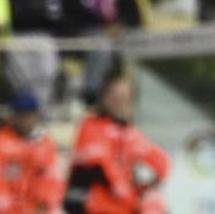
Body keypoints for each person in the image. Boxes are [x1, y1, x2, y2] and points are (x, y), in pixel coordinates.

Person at [64, 71, 170, 214]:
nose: (118, 101)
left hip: (127, 207)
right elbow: (96, 164)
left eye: (123, 97)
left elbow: (161, 163)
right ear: (104, 97)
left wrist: (145, 187)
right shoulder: (90, 125)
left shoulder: (130, 132)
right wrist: (123, 187)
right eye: (114, 96)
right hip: (97, 208)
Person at [0, 93, 65, 213]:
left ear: (36, 115)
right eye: (20, 114)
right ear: (12, 116)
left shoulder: (45, 144)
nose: (24, 119)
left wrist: (44, 203)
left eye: (28, 114)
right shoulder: (2, 141)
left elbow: (52, 179)